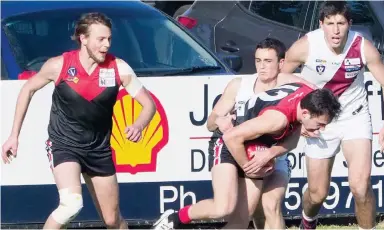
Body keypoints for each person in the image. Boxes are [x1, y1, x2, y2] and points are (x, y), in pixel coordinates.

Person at [1, 12, 156, 229]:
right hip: (64, 144)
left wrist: (139, 125)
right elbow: (28, 89)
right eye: (100, 39)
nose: (106, 45)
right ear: (83, 39)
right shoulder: (60, 65)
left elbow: (149, 105)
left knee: (112, 219)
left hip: (99, 150)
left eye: (109, 39)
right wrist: (13, 136)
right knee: (71, 205)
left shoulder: (118, 68)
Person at [152, 81, 341, 230]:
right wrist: (248, 167)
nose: (321, 130)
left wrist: (271, 152)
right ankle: (175, 217)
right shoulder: (277, 120)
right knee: (223, 208)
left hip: (254, 147)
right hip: (228, 142)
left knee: (241, 221)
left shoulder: (307, 91)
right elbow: (231, 137)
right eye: (320, 125)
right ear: (306, 113)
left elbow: (292, 138)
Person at [279, 1, 384, 229]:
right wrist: (298, 119)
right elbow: (280, 80)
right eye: (330, 23)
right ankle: (308, 221)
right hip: (319, 124)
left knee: (361, 186)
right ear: (321, 24)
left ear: (349, 24)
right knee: (317, 194)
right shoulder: (305, 46)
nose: (335, 30)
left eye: (341, 23)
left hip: (355, 118)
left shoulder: (362, 46)